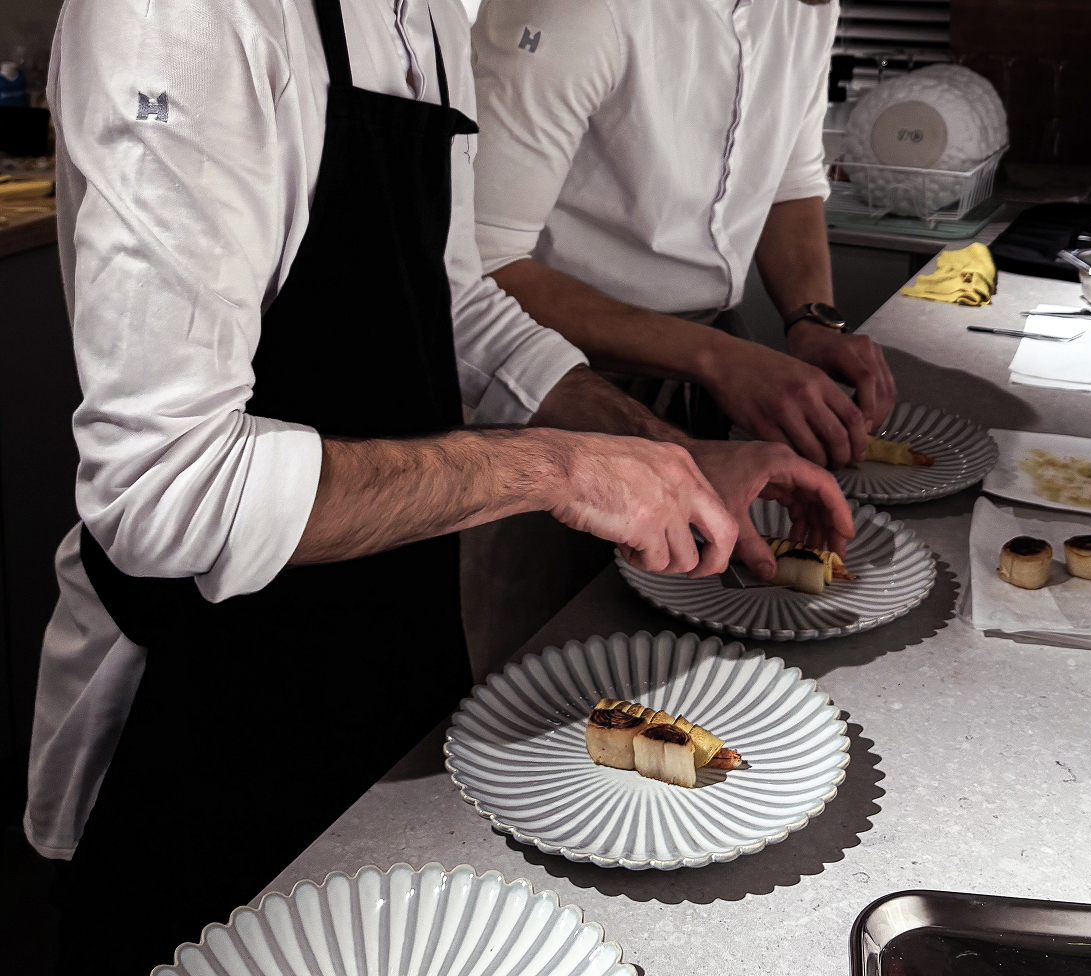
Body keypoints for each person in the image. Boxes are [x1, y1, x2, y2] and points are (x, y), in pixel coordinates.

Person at [27, 0, 853, 970]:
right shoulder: (186, 18)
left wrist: (660, 453)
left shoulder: (416, 17)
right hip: (202, 688)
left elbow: (459, 303)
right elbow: (165, 491)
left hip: (384, 637)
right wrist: (556, 466)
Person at [470, 0, 898, 469]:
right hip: (550, 382)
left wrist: (812, 321)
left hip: (706, 363)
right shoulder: (576, 10)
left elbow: (789, 181)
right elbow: (482, 269)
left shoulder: (805, 6)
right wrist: (721, 361)